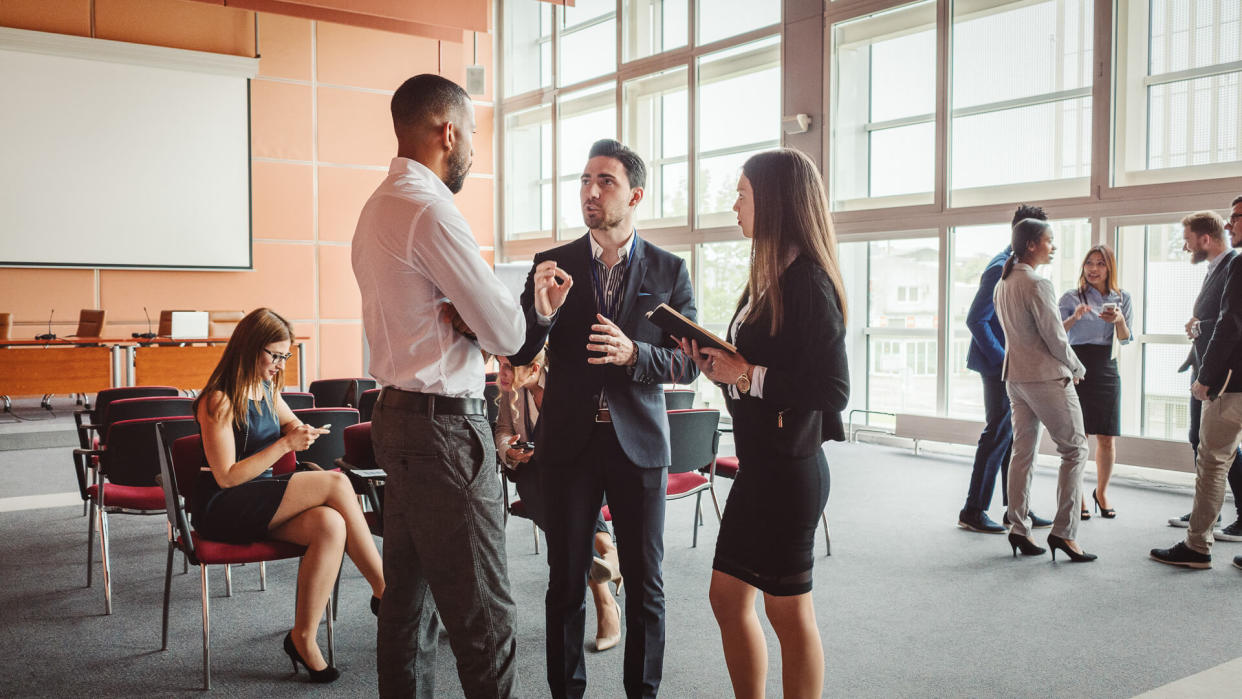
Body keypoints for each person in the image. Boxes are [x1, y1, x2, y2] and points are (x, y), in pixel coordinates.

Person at [352, 74, 525, 698]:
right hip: (445, 429)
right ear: (447, 132)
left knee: (407, 606)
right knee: (486, 617)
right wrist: (507, 315)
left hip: (394, 418)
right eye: (473, 132)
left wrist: (467, 316)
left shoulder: (376, 208)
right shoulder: (431, 210)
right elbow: (506, 329)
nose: (475, 149)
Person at [510, 138, 699, 699]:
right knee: (564, 583)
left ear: (635, 194)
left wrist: (634, 355)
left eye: (606, 182)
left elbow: (691, 363)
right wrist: (541, 315)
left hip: (638, 445)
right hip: (566, 445)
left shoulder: (669, 269)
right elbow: (520, 353)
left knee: (647, 586)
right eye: (585, 181)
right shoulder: (554, 265)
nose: (591, 192)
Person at [678, 148, 848, 699]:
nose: (734, 206)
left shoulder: (808, 283)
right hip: (761, 468)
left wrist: (747, 373)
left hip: (790, 473)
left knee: (789, 614)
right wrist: (721, 369)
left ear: (773, 204)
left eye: (743, 195)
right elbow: (755, 375)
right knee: (728, 599)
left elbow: (832, 389)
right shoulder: (769, 278)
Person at [193, 307, 385, 684]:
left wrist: (302, 431)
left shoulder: (266, 388)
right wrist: (285, 444)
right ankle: (385, 591)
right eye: (275, 355)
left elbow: (291, 423)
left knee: (329, 524)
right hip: (225, 506)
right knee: (336, 484)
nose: (280, 364)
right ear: (250, 348)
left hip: (260, 500)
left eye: (285, 356)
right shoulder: (218, 400)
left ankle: (303, 638)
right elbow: (228, 477)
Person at [493, 352, 623, 652]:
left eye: (509, 367)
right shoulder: (511, 394)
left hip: (576, 468)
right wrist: (509, 450)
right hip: (533, 476)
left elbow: (588, 430)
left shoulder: (565, 383)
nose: (502, 373)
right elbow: (502, 431)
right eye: (500, 365)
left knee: (571, 498)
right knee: (555, 499)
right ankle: (609, 563)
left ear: (535, 368)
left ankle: (605, 588)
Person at [994, 219, 1095, 562]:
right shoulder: (1037, 283)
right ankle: (1064, 534)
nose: (1054, 247)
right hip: (1045, 378)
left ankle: (1018, 527)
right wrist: (1077, 367)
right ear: (1033, 244)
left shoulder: (1003, 282)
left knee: (1023, 452)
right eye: (1050, 241)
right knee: (1075, 450)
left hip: (1015, 378)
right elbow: (1055, 337)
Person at [1152, 203, 1242, 570]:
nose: (1229, 223)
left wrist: (1206, 376)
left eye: (1235, 217)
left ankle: (1197, 546)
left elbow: (1230, 324)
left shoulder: (1237, 264)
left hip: (1230, 381)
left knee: (1212, 460)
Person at [959, 205, 1054, 534]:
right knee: (997, 434)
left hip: (1013, 366)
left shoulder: (1019, 267)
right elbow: (976, 320)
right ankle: (973, 509)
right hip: (997, 365)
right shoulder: (999, 268)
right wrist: (1005, 362)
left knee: (1012, 438)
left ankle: (1016, 509)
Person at [1059, 246, 1132, 519]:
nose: (1093, 268)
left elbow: (1125, 339)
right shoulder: (1070, 296)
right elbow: (1054, 332)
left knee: (1107, 436)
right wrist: (1074, 317)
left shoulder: (1122, 297)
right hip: (1078, 365)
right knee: (1080, 437)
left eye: (1100, 263)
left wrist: (1120, 319)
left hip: (1107, 366)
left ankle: (1101, 493)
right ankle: (1077, 495)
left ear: (1109, 268)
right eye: (1089, 263)